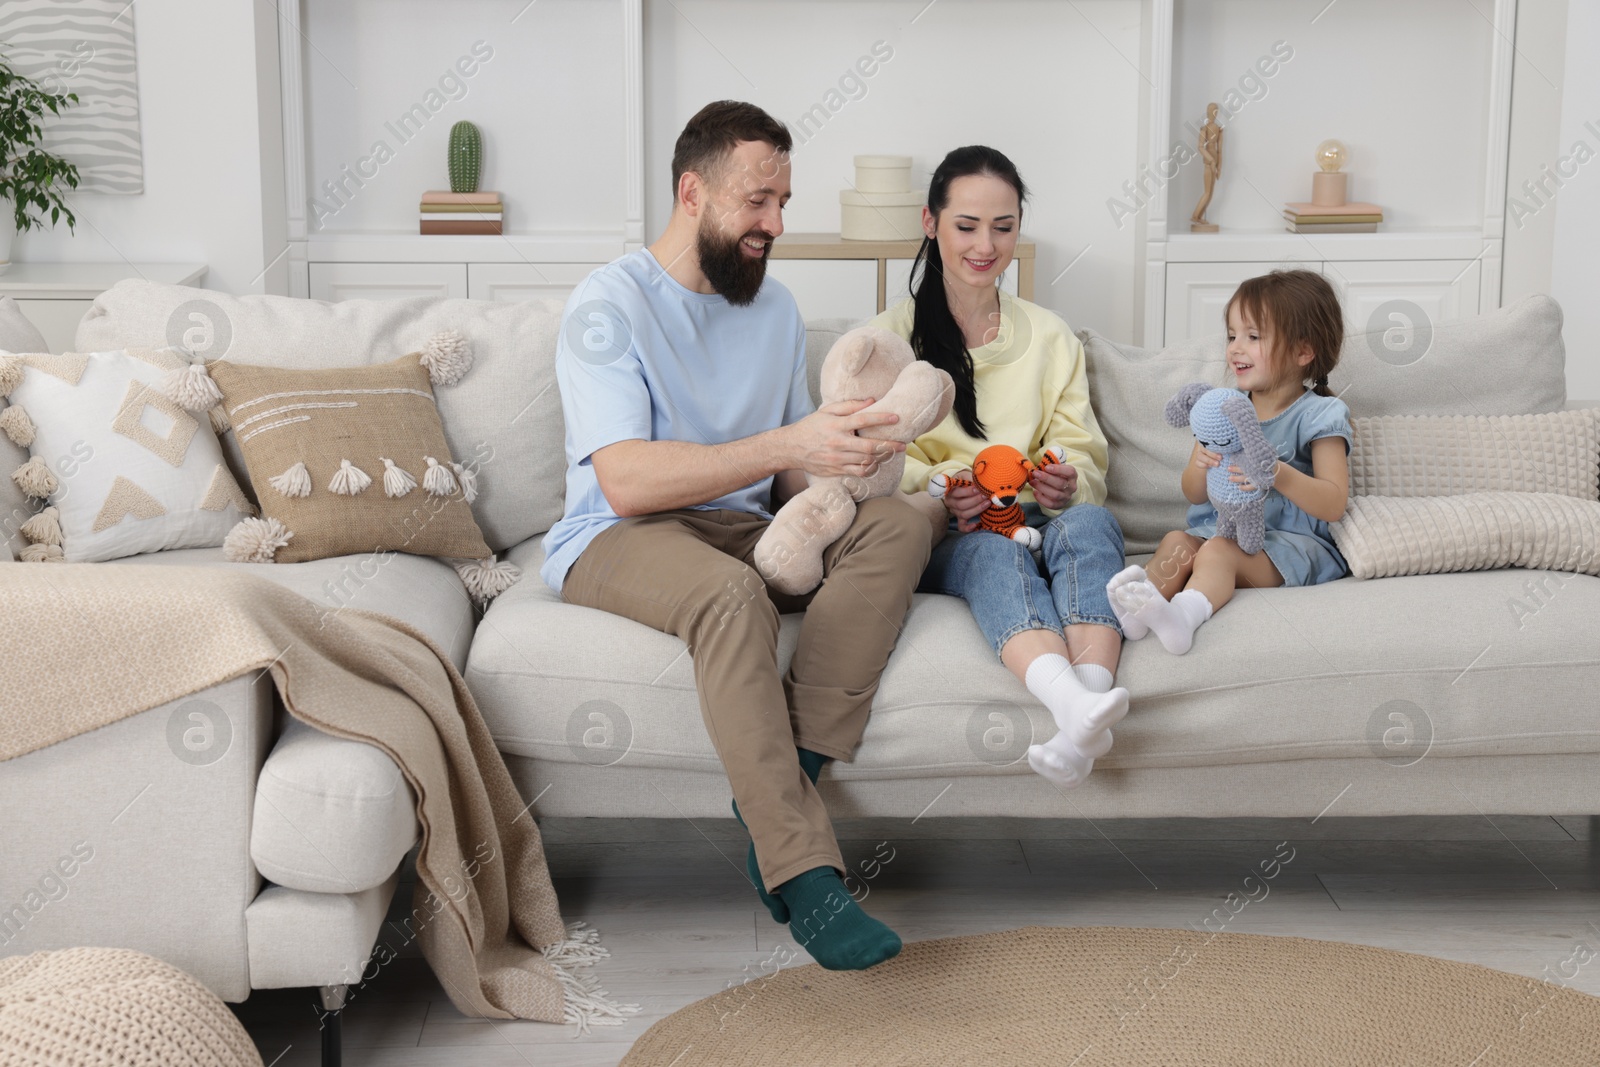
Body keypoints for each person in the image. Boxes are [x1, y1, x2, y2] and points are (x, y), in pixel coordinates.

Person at [541, 101, 924, 971]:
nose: (775, 224)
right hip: (620, 533)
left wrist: (846, 456)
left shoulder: (775, 309)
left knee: (898, 523)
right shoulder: (608, 305)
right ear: (692, 192)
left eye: (783, 201)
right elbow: (626, 478)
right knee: (729, 594)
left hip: (746, 523)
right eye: (758, 201)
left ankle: (790, 789)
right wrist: (790, 443)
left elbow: (789, 476)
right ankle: (806, 874)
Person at [871, 146, 1130, 790]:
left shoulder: (1049, 335)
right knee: (994, 553)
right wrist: (937, 493)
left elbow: (1083, 449)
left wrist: (1068, 481)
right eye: (966, 226)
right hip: (955, 532)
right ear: (931, 223)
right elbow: (874, 462)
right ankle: (1074, 708)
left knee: (1092, 524)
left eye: (1004, 226)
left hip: (1042, 512)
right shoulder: (888, 340)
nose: (986, 245)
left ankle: (1083, 711)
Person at [1106, 269, 1351, 653]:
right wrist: (1199, 463)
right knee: (1177, 541)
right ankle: (1133, 615)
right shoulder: (1223, 410)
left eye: (1253, 337)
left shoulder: (1320, 415)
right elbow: (1194, 495)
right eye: (1232, 336)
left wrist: (1277, 473)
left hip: (1288, 547)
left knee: (1218, 552)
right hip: (1221, 531)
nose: (1235, 348)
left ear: (1304, 352)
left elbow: (1334, 503)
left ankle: (1183, 617)